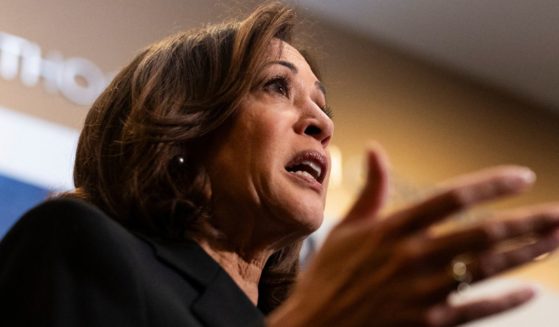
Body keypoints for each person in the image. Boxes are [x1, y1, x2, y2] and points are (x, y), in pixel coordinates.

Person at [1, 2, 559, 326]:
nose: (321, 122)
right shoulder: (77, 245)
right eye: (276, 87)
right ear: (183, 129)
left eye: (323, 104)